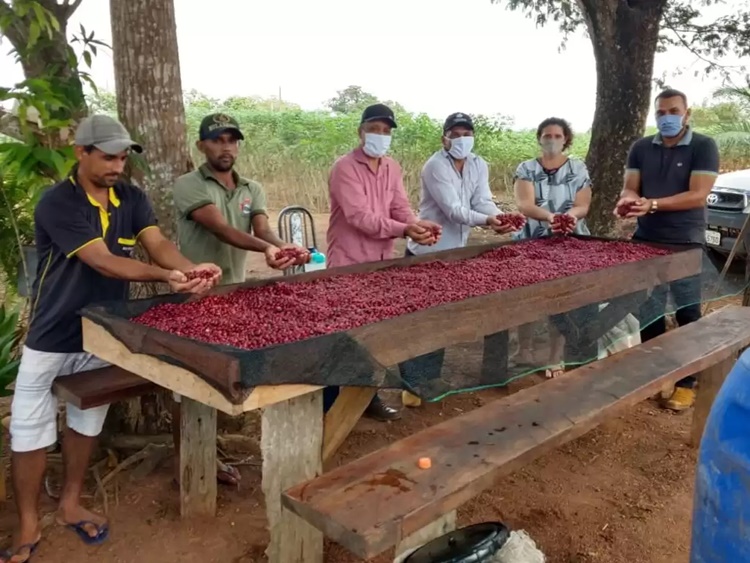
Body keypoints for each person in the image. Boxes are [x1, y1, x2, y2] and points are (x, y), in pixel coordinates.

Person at [4, 115, 221, 563]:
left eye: (123, 157)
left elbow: (157, 244)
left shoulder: (132, 198)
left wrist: (189, 267)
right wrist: (167, 276)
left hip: (102, 333)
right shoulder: (58, 203)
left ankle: (69, 504)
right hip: (52, 335)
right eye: (107, 157)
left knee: (87, 422)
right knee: (29, 431)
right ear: (80, 153)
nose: (117, 166)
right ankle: (26, 522)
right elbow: (103, 261)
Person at [171, 112, 309, 487]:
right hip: (196, 295)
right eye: (217, 140)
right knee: (188, 377)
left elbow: (261, 227)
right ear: (201, 146)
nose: (226, 147)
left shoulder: (252, 188)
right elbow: (222, 228)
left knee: (220, 371)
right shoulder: (188, 185)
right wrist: (266, 248)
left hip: (235, 293)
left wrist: (283, 247)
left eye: (232, 140)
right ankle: (191, 458)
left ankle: (210, 450)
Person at [324, 103, 441, 421]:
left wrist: (417, 225)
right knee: (344, 334)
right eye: (374, 129)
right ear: (360, 132)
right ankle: (329, 404)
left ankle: (367, 399)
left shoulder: (391, 167)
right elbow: (359, 217)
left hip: (380, 262)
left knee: (374, 332)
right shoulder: (345, 168)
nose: (381, 136)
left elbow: (399, 206)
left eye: (387, 131)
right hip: (348, 262)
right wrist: (404, 229)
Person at [399, 112, 525, 404]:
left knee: (441, 318)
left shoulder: (478, 164)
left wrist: (499, 216)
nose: (461, 139)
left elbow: (482, 199)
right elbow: (454, 210)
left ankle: (429, 379)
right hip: (428, 253)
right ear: (444, 138)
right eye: (454, 134)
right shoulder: (435, 166)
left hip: (457, 253)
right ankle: (412, 386)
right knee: (420, 320)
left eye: (466, 133)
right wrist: (489, 222)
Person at [614, 88, 719, 412]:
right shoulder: (642, 148)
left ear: (687, 114)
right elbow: (632, 185)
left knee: (687, 312)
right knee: (649, 310)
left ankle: (688, 382)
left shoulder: (703, 146)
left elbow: (698, 194)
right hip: (646, 239)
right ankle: (656, 375)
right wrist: (627, 200)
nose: (667, 118)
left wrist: (654, 204)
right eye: (660, 113)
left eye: (673, 111)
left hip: (685, 241)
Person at [513, 117, 593, 379]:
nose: (552, 140)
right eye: (547, 135)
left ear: (566, 139)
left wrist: (570, 217)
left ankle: (554, 357)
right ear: (539, 138)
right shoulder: (526, 168)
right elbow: (524, 204)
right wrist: (550, 218)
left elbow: (583, 204)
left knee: (562, 299)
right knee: (527, 297)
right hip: (532, 240)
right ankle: (524, 351)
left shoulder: (578, 168)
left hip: (569, 240)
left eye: (558, 136)